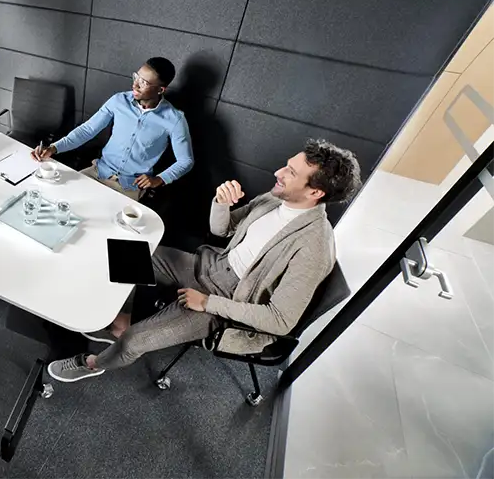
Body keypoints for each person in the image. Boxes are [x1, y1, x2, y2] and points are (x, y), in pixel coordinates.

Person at [47, 139, 361, 383]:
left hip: (227, 300)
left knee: (134, 341)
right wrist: (220, 203)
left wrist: (208, 303)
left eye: (291, 173)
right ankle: (119, 322)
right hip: (208, 265)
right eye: (286, 165)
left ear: (315, 192)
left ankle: (92, 364)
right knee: (127, 252)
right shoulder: (274, 198)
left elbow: (280, 320)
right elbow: (220, 230)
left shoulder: (314, 247)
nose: (278, 173)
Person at [31, 57, 193, 201]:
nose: (135, 84)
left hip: (130, 186)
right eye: (136, 77)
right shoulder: (118, 101)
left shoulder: (175, 120)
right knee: (57, 198)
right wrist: (54, 148)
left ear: (160, 90)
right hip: (98, 172)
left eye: (144, 82)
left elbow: (186, 161)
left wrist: (159, 179)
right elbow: (87, 130)